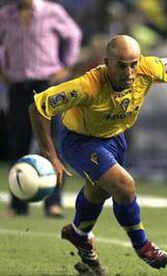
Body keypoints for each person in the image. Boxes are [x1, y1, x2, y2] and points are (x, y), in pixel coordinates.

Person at [29, 35, 167, 275]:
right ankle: (143, 245)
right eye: (122, 66)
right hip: (80, 141)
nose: (130, 72)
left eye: (134, 64)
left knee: (99, 191)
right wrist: (51, 156)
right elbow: (39, 107)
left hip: (115, 138)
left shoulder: (149, 68)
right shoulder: (86, 86)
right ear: (107, 62)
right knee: (124, 186)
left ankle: (78, 233)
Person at [0, 0, 82, 217]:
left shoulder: (52, 12)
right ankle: (18, 204)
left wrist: (66, 66)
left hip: (47, 86)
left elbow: (73, 35)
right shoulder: (5, 15)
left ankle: (53, 203)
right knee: (19, 143)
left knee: (52, 143)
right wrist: (2, 68)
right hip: (18, 86)